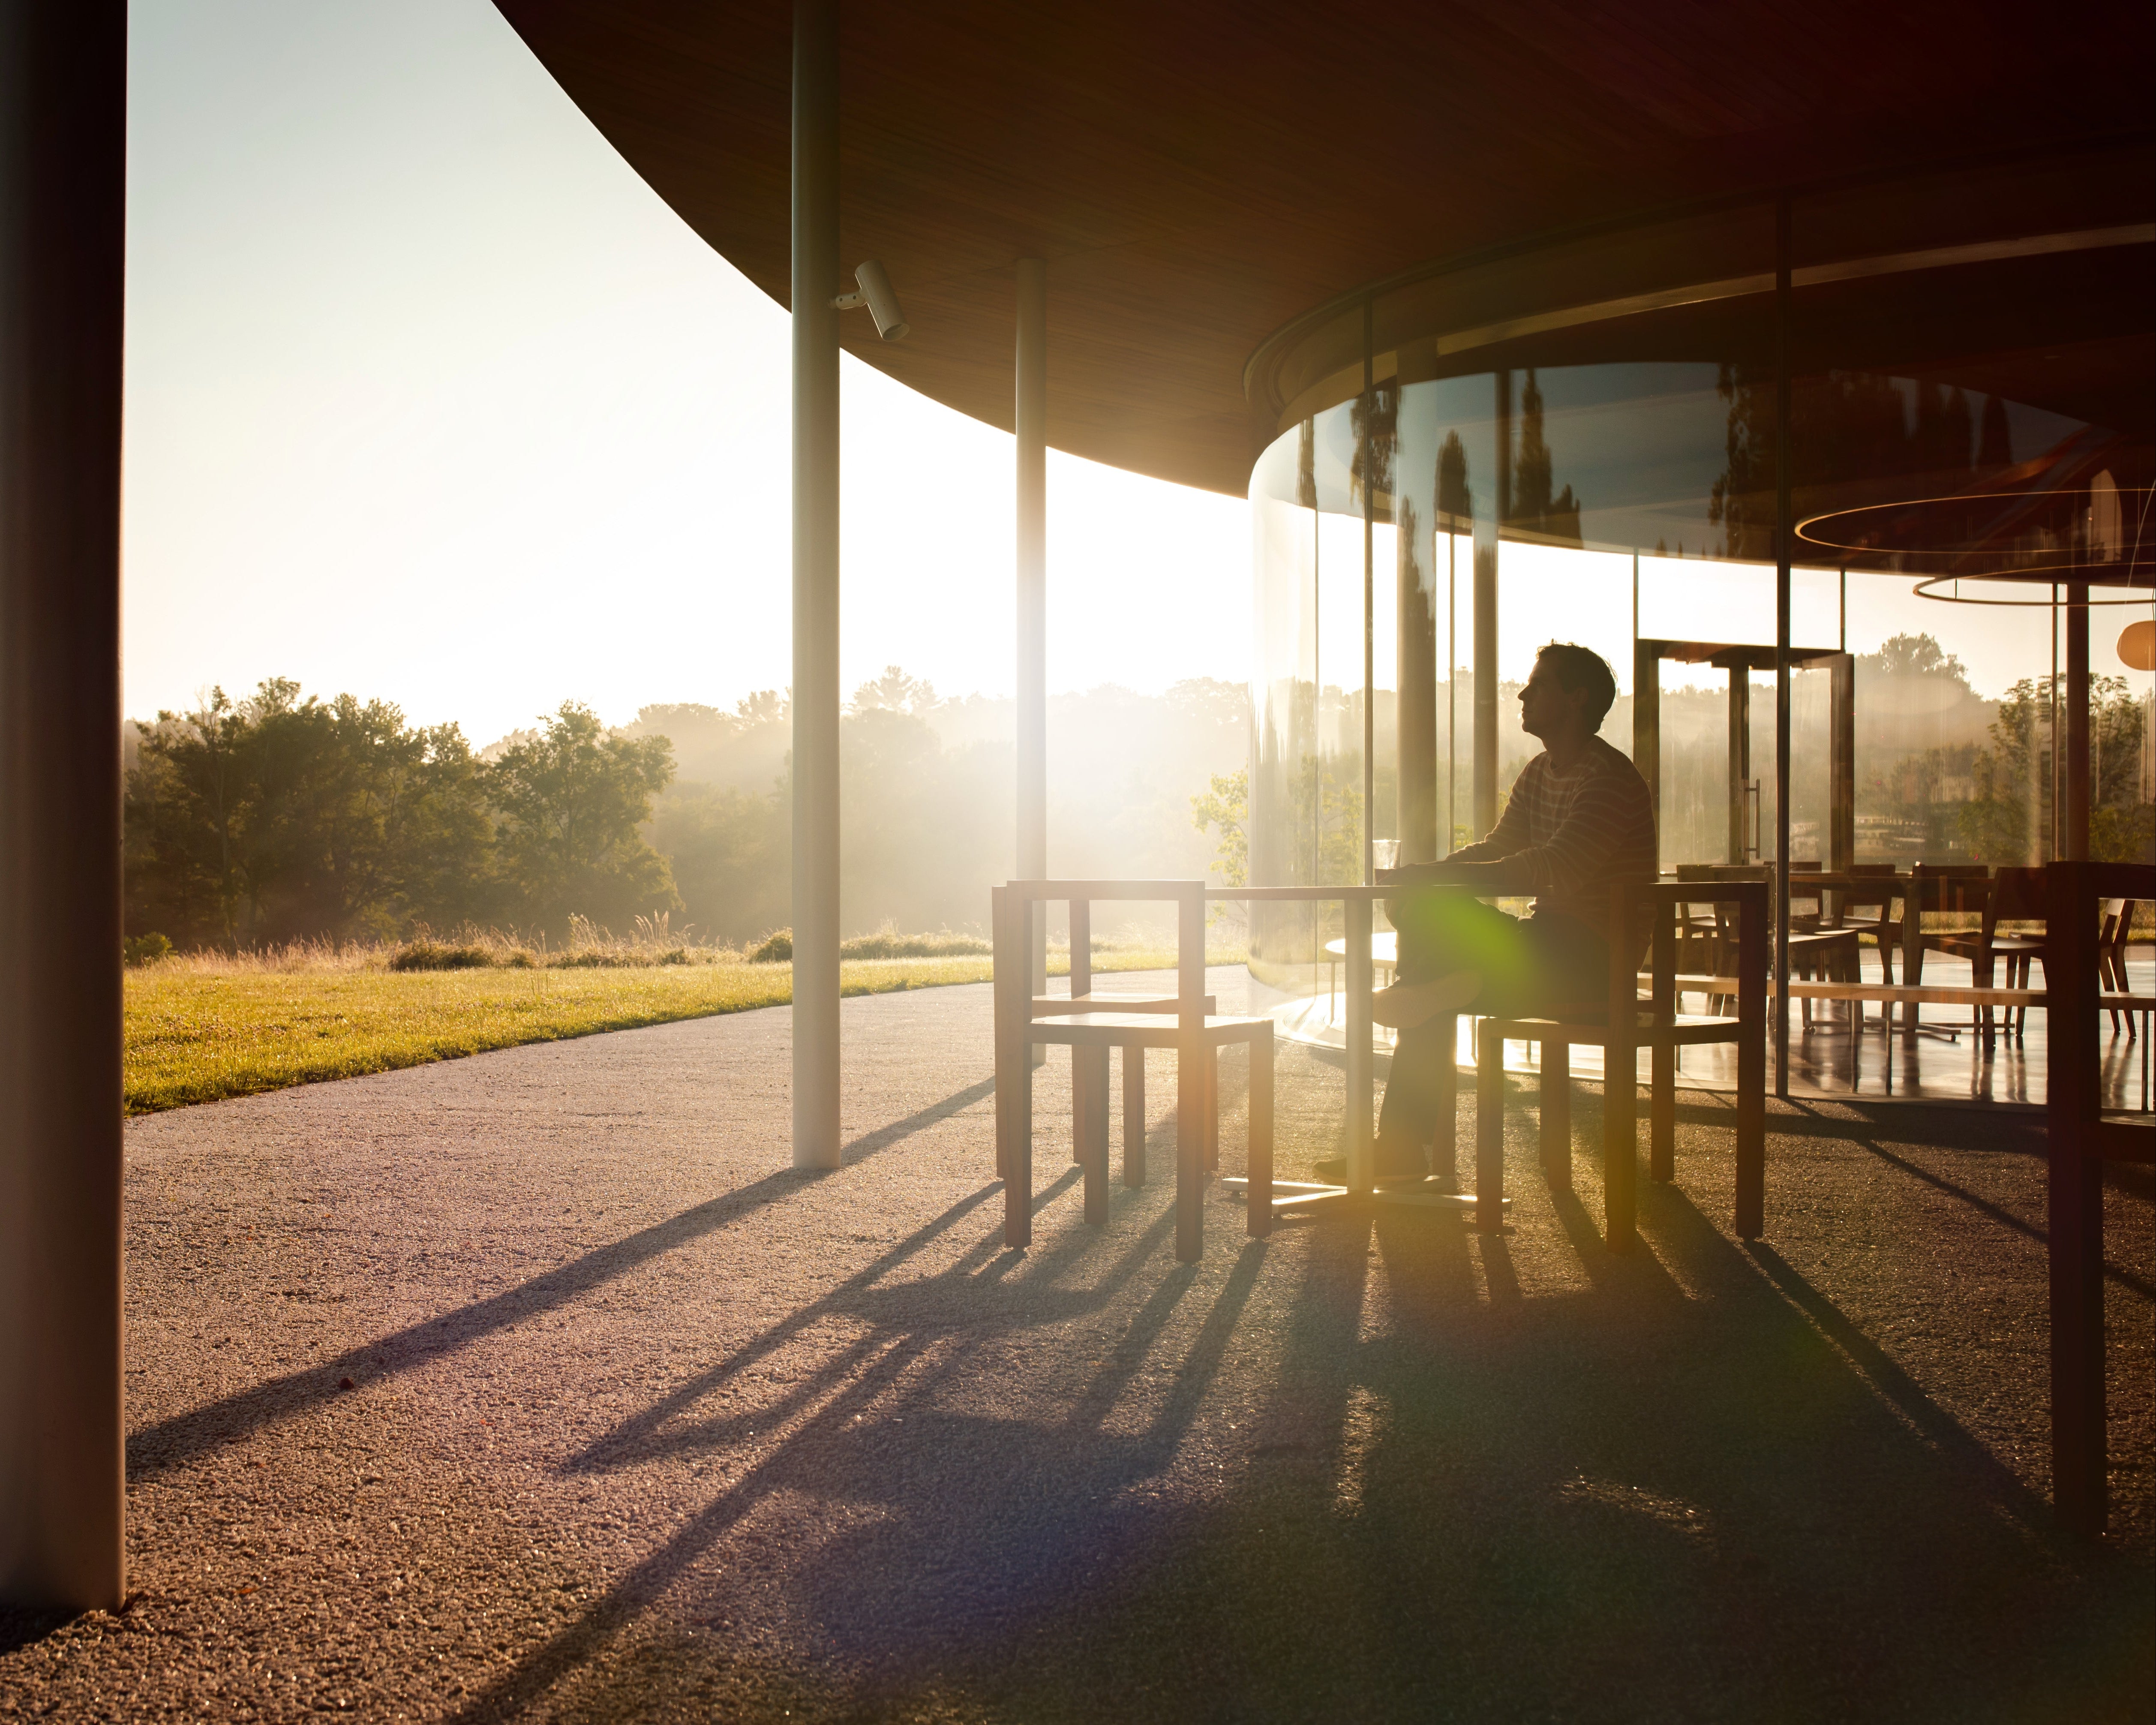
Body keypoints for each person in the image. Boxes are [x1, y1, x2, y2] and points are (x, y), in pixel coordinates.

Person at [1368, 641, 1656, 1182]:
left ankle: (1401, 1146)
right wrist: (1425, 874)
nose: (1522, 694)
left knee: (1425, 978)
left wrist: (1431, 882)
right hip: (1541, 942)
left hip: (1593, 961)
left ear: (1577, 698)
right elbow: (1497, 848)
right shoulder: (1539, 771)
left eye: (1537, 684)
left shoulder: (1608, 779)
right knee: (1426, 969)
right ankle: (1442, 988)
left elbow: (1552, 866)